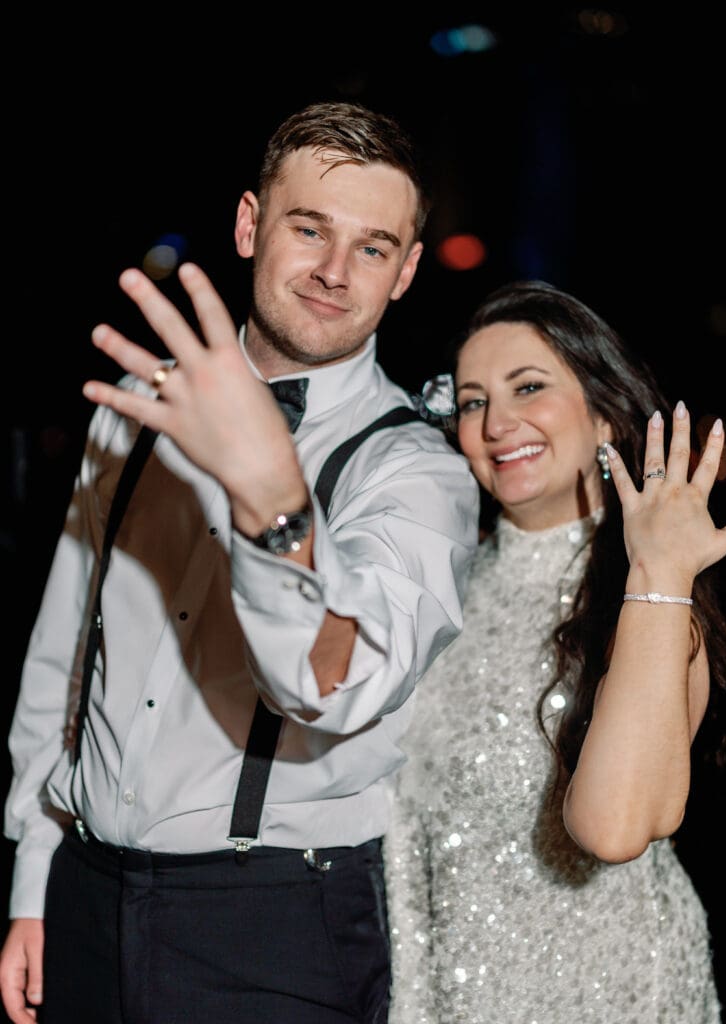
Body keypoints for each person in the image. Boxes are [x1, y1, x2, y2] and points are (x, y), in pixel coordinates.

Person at [0, 101, 480, 1024]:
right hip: (85, 895)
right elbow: (66, 654)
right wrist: (35, 878)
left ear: (407, 271)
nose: (336, 273)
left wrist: (273, 497)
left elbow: (336, 689)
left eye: (373, 248)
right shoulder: (142, 404)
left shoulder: (415, 471)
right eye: (309, 229)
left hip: (275, 930)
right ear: (249, 224)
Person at [383, 280, 726, 1023]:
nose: (496, 421)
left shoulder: (651, 602)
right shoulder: (439, 588)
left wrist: (659, 575)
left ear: (601, 415)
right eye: (471, 401)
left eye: (527, 387)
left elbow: (612, 825)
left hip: (607, 995)